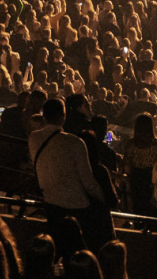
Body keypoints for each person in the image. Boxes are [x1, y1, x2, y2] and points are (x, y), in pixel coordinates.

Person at [29, 97, 117, 253]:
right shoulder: (75, 143)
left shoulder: (33, 138)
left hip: (50, 203)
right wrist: (103, 199)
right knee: (79, 250)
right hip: (76, 207)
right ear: (63, 116)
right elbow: (87, 181)